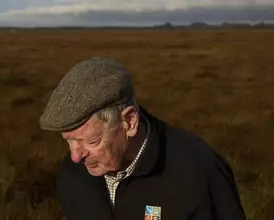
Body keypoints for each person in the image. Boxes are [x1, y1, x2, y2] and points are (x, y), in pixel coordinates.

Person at [39, 56, 247, 220]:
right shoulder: (73, 173)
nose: (75, 156)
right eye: (68, 140)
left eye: (92, 141)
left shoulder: (199, 171)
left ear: (129, 121)